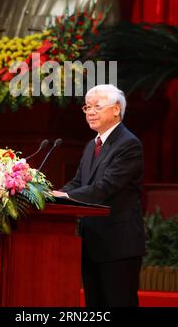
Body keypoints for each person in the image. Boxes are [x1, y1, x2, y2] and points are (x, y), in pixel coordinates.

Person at [52, 84, 145, 307]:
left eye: (97, 106)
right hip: (92, 243)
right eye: (87, 107)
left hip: (118, 245)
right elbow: (78, 182)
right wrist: (51, 195)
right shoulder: (91, 145)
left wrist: (64, 197)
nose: (90, 112)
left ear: (116, 110)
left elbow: (105, 187)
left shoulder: (128, 144)